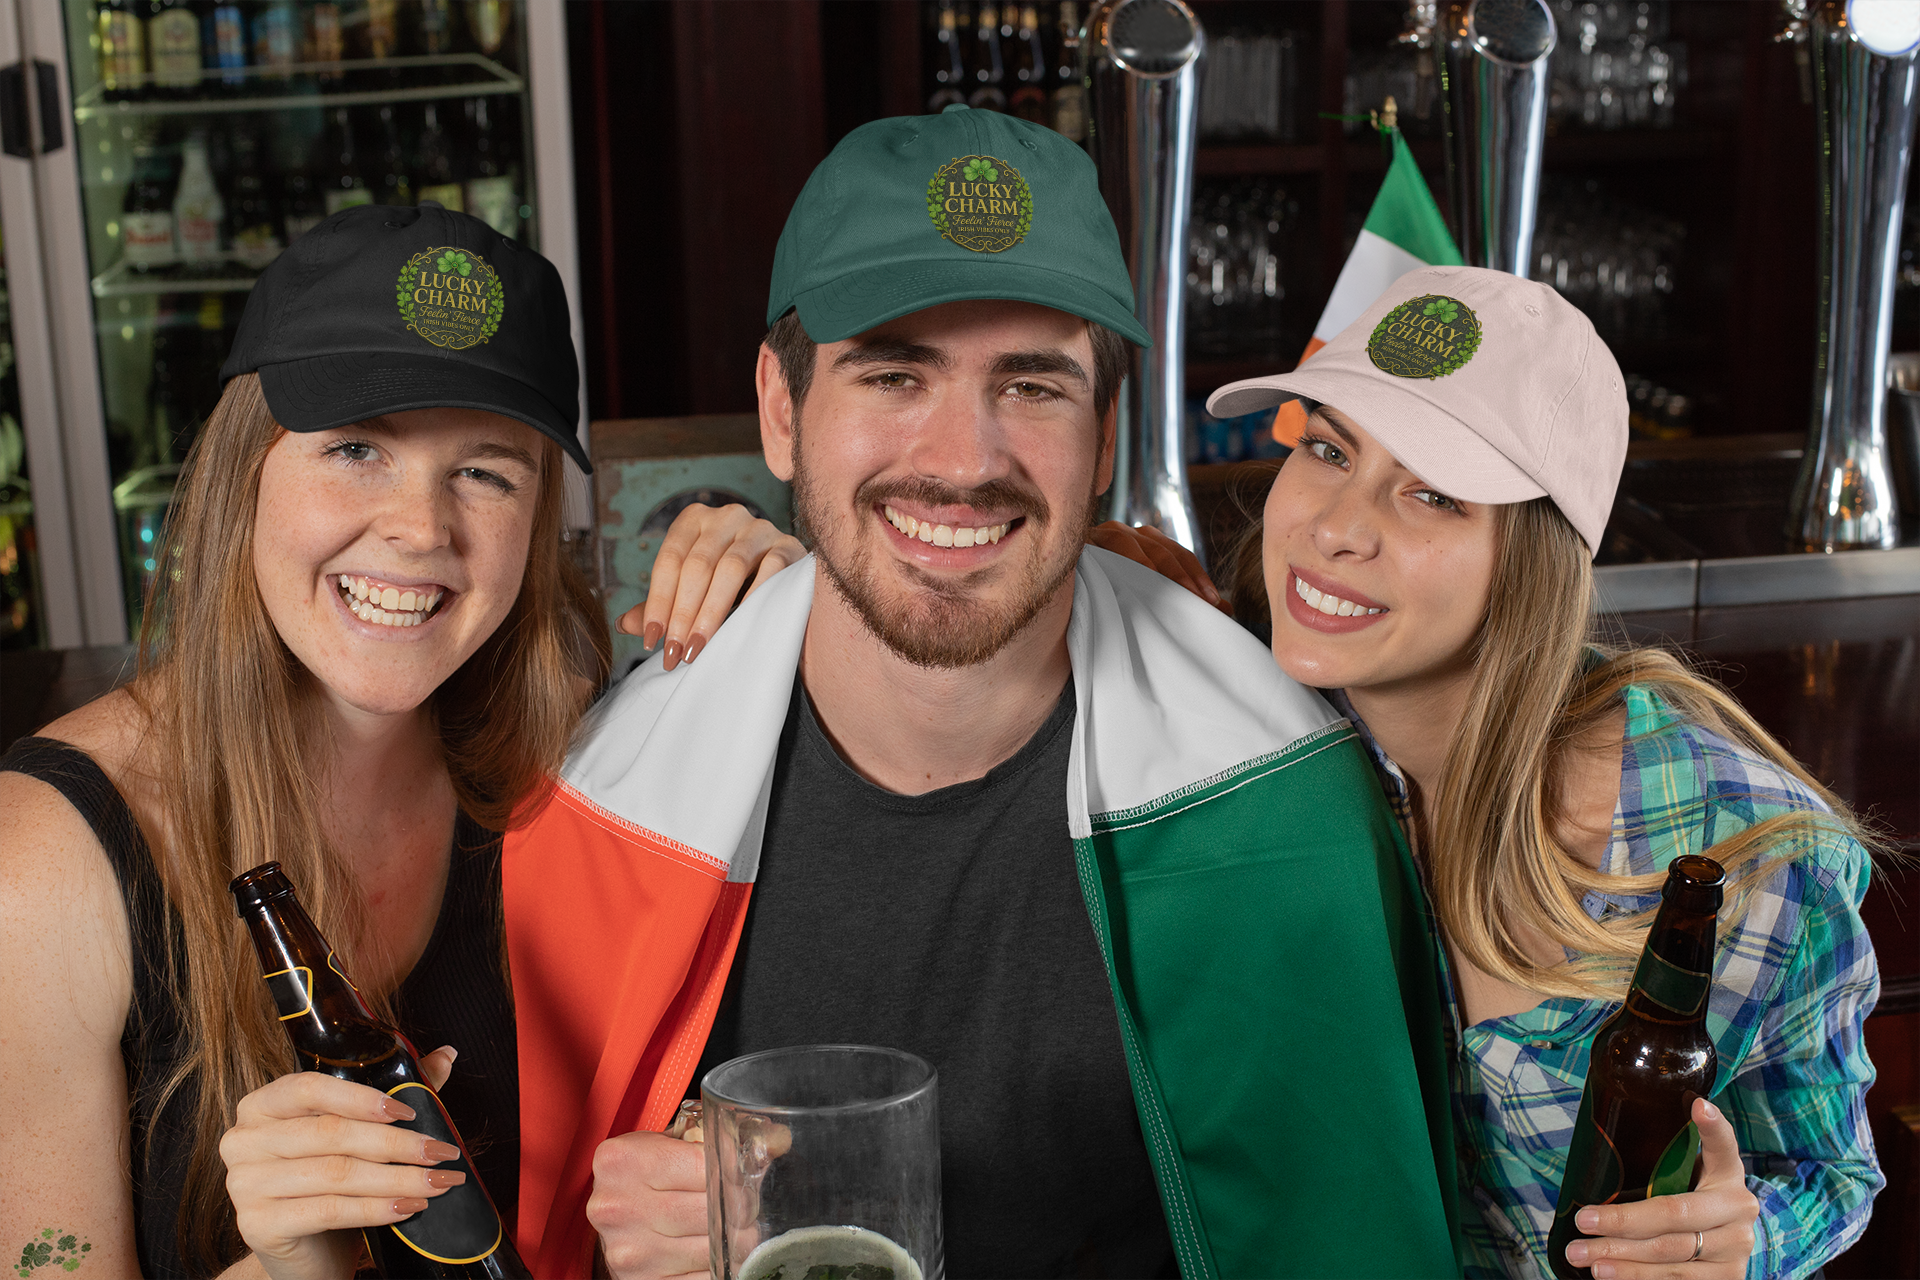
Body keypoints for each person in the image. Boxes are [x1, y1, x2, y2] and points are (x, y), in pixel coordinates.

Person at [672, 265, 1887, 1280]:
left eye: (1430, 493)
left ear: (1534, 553)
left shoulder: (1737, 845)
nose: (1337, 526)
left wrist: (1742, 1237)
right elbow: (975, 574)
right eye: (1328, 449)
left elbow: (1834, 1173)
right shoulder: (1237, 723)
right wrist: (784, 575)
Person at [503, 105, 1463, 1280]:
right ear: (781, 411)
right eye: (893, 374)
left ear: (1105, 435)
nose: (964, 459)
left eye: (1033, 386)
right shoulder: (595, 811)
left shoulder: (1284, 812)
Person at [0, 204, 612, 1280]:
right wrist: (289, 1265)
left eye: (486, 471)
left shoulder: (565, 747)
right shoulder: (44, 862)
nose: (421, 528)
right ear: (243, 473)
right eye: (356, 447)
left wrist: (766, 603)